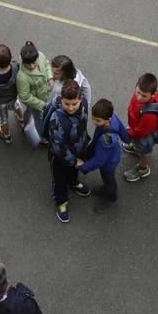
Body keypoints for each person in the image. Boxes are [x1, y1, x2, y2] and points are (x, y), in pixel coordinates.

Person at [46, 79, 90, 223]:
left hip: (78, 150)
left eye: (74, 104)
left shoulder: (84, 105)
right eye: (67, 104)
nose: (71, 108)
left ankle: (73, 182)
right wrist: (74, 160)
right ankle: (61, 201)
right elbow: (58, 147)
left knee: (73, 172)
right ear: (61, 100)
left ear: (80, 99)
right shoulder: (56, 119)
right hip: (60, 157)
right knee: (59, 179)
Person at [79, 97, 129, 206]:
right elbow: (122, 130)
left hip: (108, 163)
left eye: (98, 120)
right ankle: (107, 188)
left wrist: (84, 166)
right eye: (93, 118)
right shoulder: (113, 118)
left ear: (108, 119)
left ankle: (111, 197)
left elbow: (99, 161)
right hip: (112, 156)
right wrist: (127, 139)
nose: (94, 122)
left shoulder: (105, 141)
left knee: (108, 177)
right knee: (107, 178)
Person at [123, 72, 158, 182]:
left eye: (144, 96)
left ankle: (143, 169)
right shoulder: (140, 95)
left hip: (144, 136)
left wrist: (129, 133)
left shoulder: (150, 113)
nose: (139, 97)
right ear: (136, 85)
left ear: (153, 94)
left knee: (145, 152)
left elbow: (141, 132)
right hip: (137, 129)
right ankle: (136, 149)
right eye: (138, 92)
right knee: (139, 146)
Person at [16, 41, 52, 147]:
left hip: (43, 96)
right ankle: (43, 138)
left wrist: (50, 77)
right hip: (37, 102)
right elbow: (25, 97)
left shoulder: (40, 56)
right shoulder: (22, 77)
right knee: (39, 118)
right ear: (23, 61)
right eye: (28, 64)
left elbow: (46, 64)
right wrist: (43, 105)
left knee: (29, 111)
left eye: (33, 62)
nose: (32, 66)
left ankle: (24, 122)